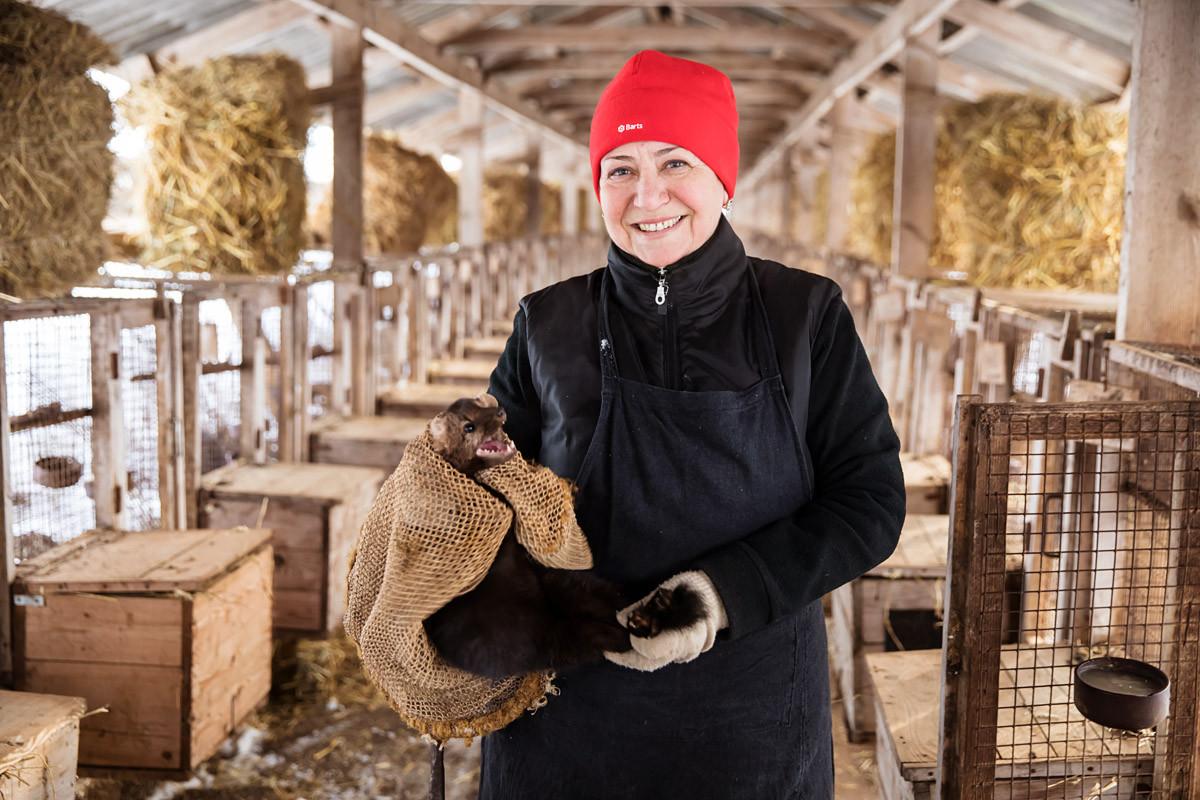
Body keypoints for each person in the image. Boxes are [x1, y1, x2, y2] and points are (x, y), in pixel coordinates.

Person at [480, 50, 905, 799]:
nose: (648, 196)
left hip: (750, 713)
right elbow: (486, 497)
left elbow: (868, 503)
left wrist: (719, 597)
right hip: (571, 713)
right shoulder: (548, 323)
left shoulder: (803, 316)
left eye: (675, 162)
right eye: (620, 168)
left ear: (721, 177)